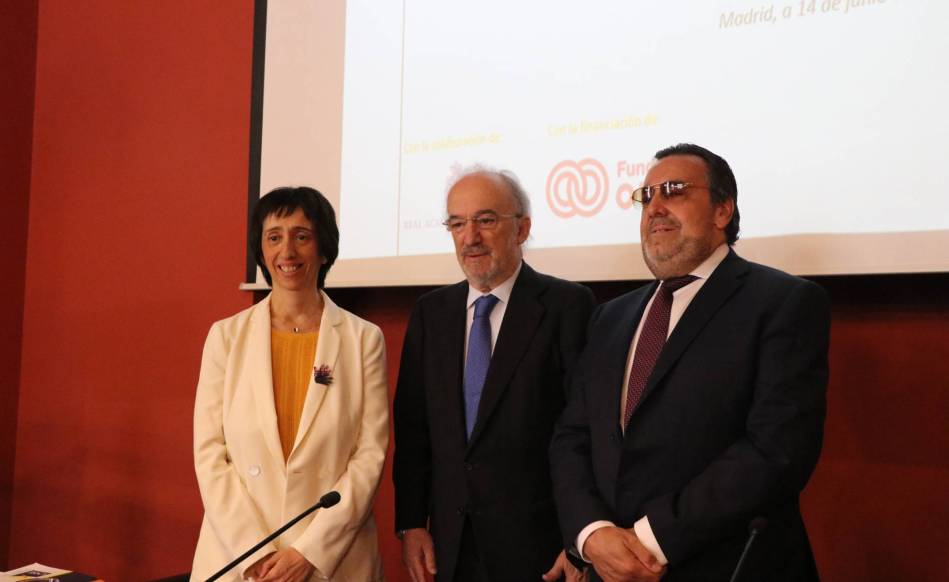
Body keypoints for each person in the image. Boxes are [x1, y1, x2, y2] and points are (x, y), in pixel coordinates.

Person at [550, 144, 830, 582]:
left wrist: (648, 541)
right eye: (646, 197)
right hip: (610, 568)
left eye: (674, 191)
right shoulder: (610, 317)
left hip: (727, 566)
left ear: (722, 210)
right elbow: (573, 436)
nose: (655, 207)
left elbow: (776, 450)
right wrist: (592, 533)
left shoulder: (782, 303)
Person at [393, 168, 596, 582]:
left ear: (522, 229)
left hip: (540, 549)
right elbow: (414, 431)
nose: (470, 237)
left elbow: (585, 432)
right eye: (457, 224)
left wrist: (578, 537)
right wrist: (411, 523)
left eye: (485, 220)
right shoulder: (431, 313)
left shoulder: (568, 306)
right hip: (451, 547)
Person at [191, 187, 389, 582]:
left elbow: (369, 456)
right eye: (274, 237)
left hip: (331, 562)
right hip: (240, 559)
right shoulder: (225, 337)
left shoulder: (364, 339)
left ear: (324, 248)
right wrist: (256, 552)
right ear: (261, 250)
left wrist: (308, 553)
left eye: (302, 236)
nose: (287, 251)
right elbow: (210, 454)